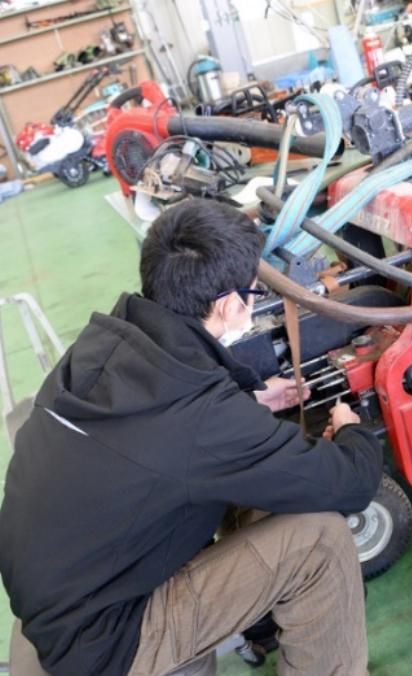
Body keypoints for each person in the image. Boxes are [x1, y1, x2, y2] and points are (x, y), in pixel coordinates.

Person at [0, 198, 384, 676]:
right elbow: (351, 484)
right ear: (227, 304)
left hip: (53, 607)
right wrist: (352, 430)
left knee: (252, 485)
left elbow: (161, 436)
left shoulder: (103, 344)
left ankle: (262, 618)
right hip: (106, 646)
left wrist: (248, 400)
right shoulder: (201, 418)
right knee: (321, 545)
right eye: (253, 292)